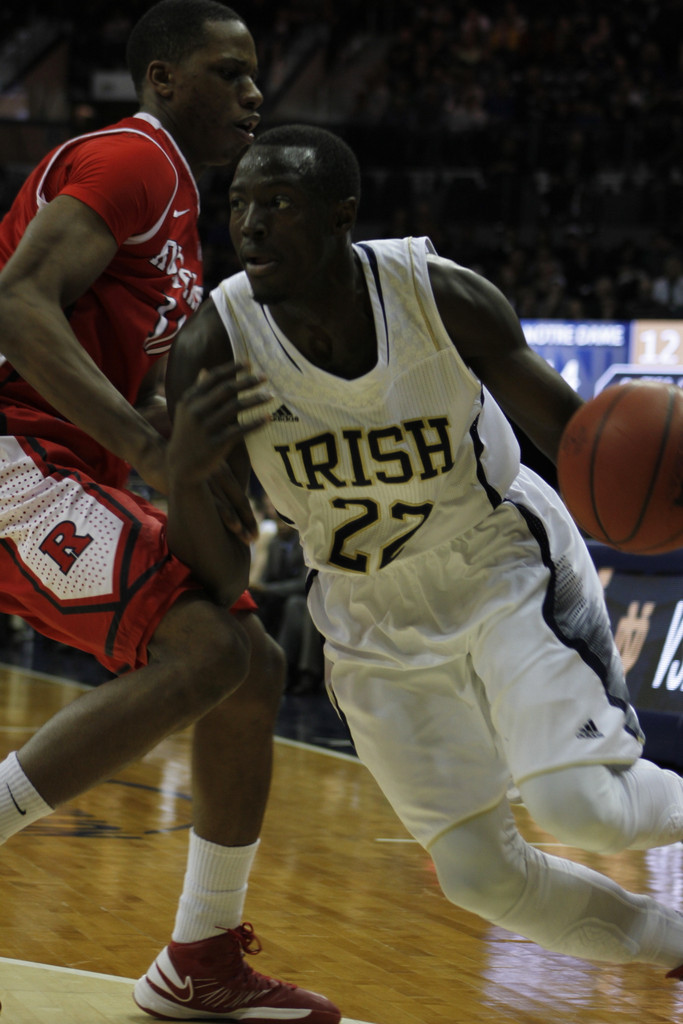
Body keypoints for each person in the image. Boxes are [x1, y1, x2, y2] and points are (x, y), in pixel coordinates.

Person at [166, 122, 683, 987]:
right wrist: (182, 477)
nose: (249, 225)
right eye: (239, 205)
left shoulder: (438, 297)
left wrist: (656, 486)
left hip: (497, 562)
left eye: (278, 204)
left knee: (580, 804)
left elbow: (578, 444)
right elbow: (220, 576)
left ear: (343, 214)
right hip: (367, 614)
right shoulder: (213, 345)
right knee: (480, 876)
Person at [0, 6, 340, 1022]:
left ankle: (199, 959)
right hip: (13, 447)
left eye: (254, 77)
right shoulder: (133, 160)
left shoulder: (184, 218)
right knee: (200, 653)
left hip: (63, 456)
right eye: (226, 73)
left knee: (250, 665)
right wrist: (154, 451)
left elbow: (141, 397)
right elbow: (17, 301)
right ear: (161, 79)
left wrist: (198, 469)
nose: (252, 94)